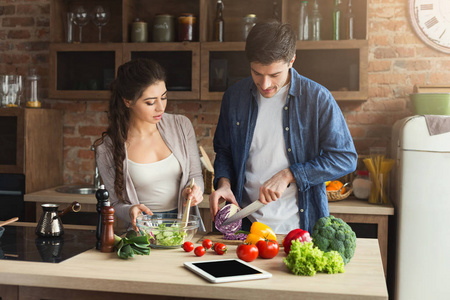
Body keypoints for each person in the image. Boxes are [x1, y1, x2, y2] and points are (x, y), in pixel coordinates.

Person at [210, 20, 357, 234]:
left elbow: (346, 158)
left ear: (291, 61)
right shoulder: (234, 97)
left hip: (299, 226)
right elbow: (224, 151)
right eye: (257, 73)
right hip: (245, 225)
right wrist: (224, 183)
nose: (265, 84)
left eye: (274, 75)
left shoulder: (317, 98)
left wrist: (290, 174)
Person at [95, 58, 205, 231]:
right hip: (142, 234)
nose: (161, 108)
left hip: (184, 230)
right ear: (128, 101)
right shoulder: (107, 148)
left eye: (164, 97)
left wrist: (194, 191)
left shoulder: (181, 126)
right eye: (150, 102)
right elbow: (116, 203)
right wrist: (131, 210)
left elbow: (195, 174)